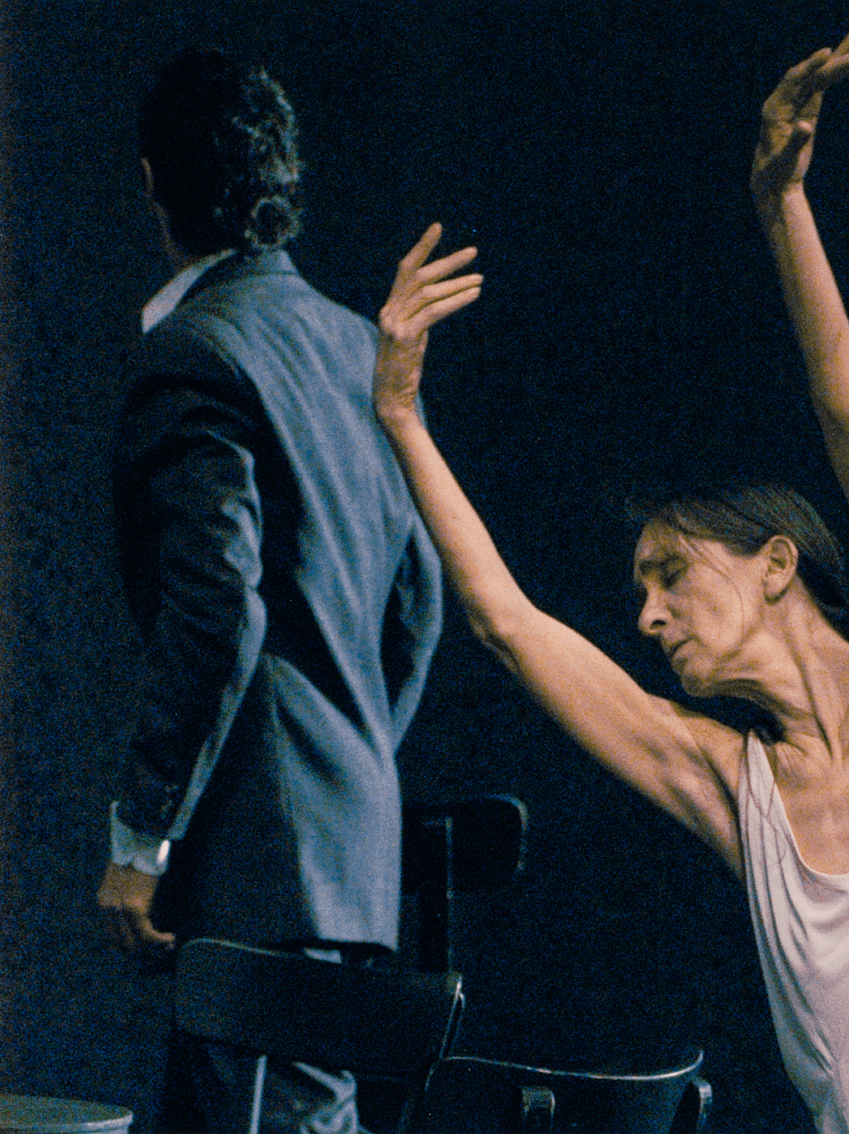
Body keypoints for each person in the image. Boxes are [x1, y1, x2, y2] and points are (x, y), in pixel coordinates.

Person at [374, 32, 849, 1134]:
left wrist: (780, 202)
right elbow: (508, 628)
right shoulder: (729, 790)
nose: (645, 615)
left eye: (669, 573)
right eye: (639, 593)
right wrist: (401, 419)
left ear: (777, 561)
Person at [96, 48, 443, 1134]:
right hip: (333, 875)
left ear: (154, 181)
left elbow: (215, 607)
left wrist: (141, 839)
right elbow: (418, 602)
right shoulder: (356, 350)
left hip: (256, 891)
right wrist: (347, 760)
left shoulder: (196, 355)